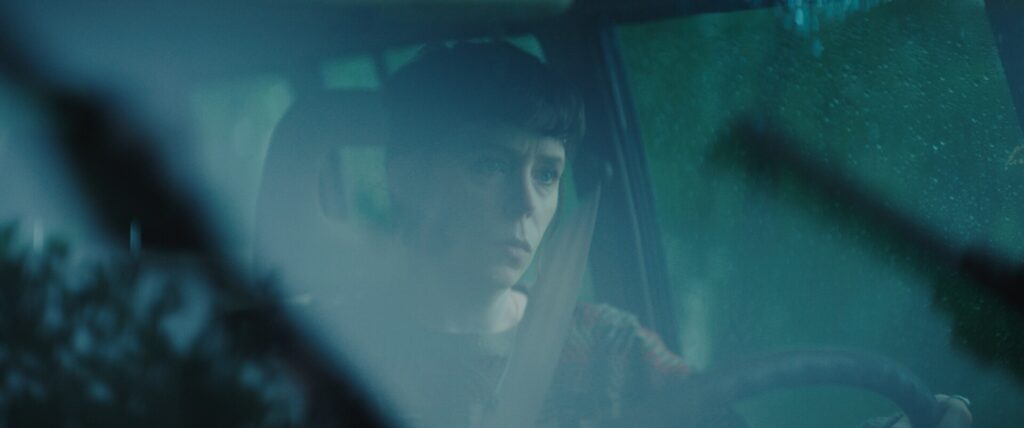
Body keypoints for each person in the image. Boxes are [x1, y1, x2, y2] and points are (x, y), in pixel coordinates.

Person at [321, 40, 973, 428]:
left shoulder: (608, 346)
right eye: (488, 166)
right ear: (407, 177)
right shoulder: (325, 357)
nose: (525, 204)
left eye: (547, 174)